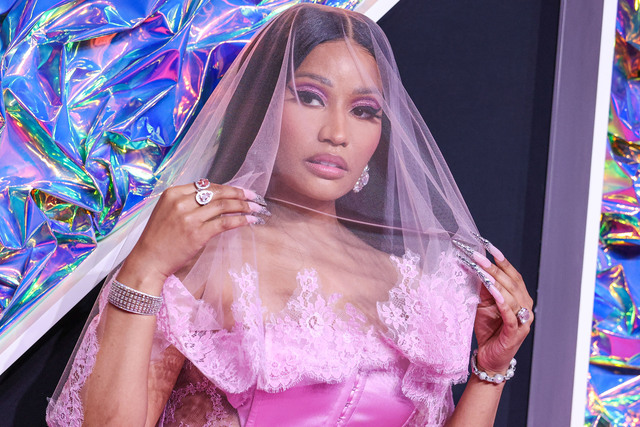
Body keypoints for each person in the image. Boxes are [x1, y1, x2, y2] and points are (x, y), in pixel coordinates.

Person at [46, 3, 533, 426]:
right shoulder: (201, 256)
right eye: (310, 97)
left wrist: (490, 371)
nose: (336, 133)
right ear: (262, 105)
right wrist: (146, 267)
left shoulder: (408, 284)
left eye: (364, 110)